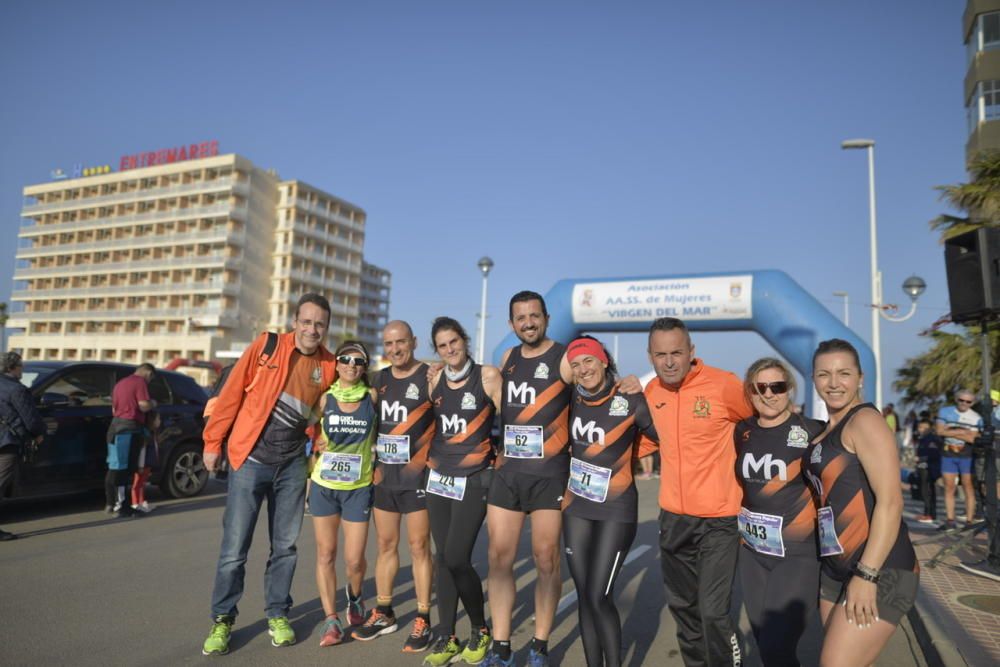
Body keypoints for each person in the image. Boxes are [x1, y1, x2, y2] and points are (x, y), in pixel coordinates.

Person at [482, 291, 642, 667]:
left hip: (551, 476)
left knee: (546, 559)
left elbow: (597, 381)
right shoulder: (507, 359)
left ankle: (539, 644)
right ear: (511, 324)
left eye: (534, 316)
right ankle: (501, 646)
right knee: (498, 559)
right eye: (520, 317)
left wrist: (627, 382)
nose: (528, 323)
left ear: (547, 318)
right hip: (508, 475)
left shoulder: (564, 359)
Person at [200, 293, 338, 656]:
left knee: (285, 548)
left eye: (319, 324)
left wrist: (321, 444)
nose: (312, 329)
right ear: (295, 322)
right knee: (234, 549)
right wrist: (213, 442)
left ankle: (278, 613)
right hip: (249, 460)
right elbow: (230, 394)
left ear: (326, 328)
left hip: (292, 466)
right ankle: (222, 619)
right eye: (306, 322)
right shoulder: (268, 345)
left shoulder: (329, 364)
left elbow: (330, 411)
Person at [641, 317, 753, 666]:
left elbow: (760, 425)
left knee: (713, 611)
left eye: (677, 352)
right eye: (661, 354)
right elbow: (643, 442)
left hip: (720, 519)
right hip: (673, 516)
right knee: (684, 609)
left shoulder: (724, 385)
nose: (670, 361)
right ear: (650, 356)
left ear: (692, 351)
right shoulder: (651, 393)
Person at [805, 339, 918, 666]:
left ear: (860, 378)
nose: (834, 382)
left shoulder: (864, 421)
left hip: (881, 568)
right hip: (836, 567)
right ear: (813, 379)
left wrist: (867, 575)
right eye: (824, 374)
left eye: (844, 373)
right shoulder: (825, 432)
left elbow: (891, 502)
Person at [561, 336, 658, 667]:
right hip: (576, 507)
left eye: (589, 361)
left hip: (616, 510)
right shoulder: (571, 397)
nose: (583, 369)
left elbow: (670, 438)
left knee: (599, 595)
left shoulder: (631, 399)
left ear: (604, 361)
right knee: (585, 598)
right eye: (576, 365)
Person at [735, 358, 824, 667]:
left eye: (777, 386)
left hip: (797, 554)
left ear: (790, 389)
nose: (768, 394)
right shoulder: (742, 431)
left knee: (776, 646)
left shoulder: (813, 431)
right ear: (749, 391)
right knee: (769, 649)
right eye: (760, 388)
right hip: (752, 552)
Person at [422, 317, 501, 667]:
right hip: (439, 475)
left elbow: (514, 418)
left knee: (456, 556)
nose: (450, 349)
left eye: (454, 341)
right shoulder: (435, 378)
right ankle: (446, 636)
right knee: (442, 559)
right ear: (436, 350)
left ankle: (480, 629)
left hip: (474, 476)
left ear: (465, 340)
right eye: (443, 345)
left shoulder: (488, 376)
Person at [353, 321, 435, 651]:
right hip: (385, 479)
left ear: (413, 342)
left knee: (418, 548)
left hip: (418, 479)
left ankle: (423, 617)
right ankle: (384, 611)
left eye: (401, 342)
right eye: (389, 344)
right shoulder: (379, 380)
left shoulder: (431, 377)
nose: (395, 349)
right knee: (386, 545)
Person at [309, 341, 378, 647]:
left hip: (358, 488)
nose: (351, 364)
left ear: (364, 367)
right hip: (325, 486)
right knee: (326, 554)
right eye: (346, 359)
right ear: (336, 364)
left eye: (358, 361)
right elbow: (306, 429)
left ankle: (356, 597)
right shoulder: (324, 399)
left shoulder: (372, 397)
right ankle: (331, 619)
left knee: (354, 560)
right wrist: (314, 446)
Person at [0, 352, 45, 541]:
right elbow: (30, 418)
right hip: (7, 441)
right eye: (20, 366)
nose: (22, 369)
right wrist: (39, 434)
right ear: (12, 367)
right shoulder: (17, 389)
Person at [106, 363, 157, 517]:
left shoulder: (120, 383)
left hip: (115, 428)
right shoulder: (140, 382)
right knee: (125, 469)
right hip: (129, 428)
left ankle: (111, 503)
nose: (149, 382)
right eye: (150, 379)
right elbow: (143, 405)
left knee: (115, 466)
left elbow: (114, 409)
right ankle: (122, 507)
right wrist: (153, 403)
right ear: (148, 373)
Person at [935, 389, 982, 530]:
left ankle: (969, 521)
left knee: (968, 486)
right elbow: (939, 431)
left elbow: (973, 439)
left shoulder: (976, 417)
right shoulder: (945, 412)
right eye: (961, 400)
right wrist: (964, 431)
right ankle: (950, 520)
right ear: (956, 399)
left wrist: (951, 431)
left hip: (966, 456)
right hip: (948, 455)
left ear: (972, 403)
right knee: (949, 487)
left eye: (968, 401)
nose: (964, 404)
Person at [130, 411, 161, 513]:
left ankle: (142, 502)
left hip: (147, 464)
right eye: (158, 419)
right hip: (143, 464)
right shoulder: (145, 434)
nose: (159, 421)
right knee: (137, 484)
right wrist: (140, 465)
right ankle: (135, 504)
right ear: (152, 421)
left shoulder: (151, 433)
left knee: (142, 483)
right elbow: (142, 451)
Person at [913, 419, 942, 524]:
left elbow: (934, 454)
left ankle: (930, 514)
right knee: (925, 491)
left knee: (928, 492)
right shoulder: (923, 438)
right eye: (919, 427)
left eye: (921, 427)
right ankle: (927, 513)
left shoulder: (931, 439)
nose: (919, 429)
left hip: (929, 468)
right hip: (923, 467)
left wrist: (920, 459)